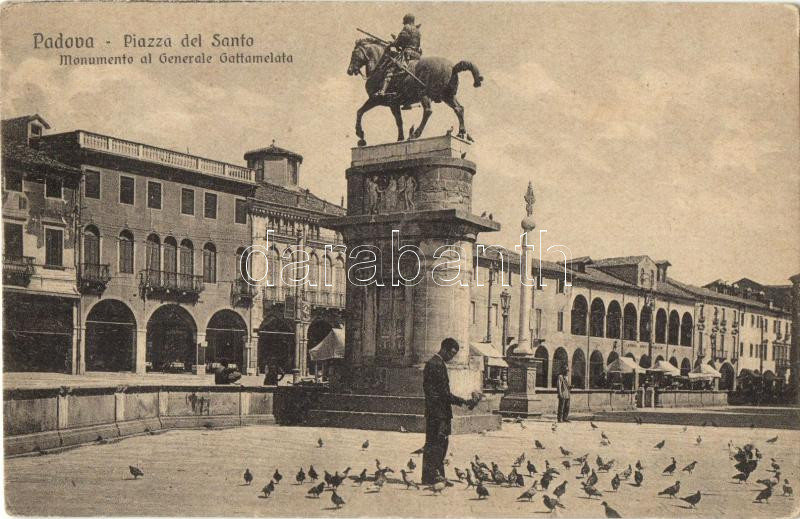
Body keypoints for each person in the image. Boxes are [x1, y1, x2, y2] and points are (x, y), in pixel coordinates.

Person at [422, 338, 478, 485]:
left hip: (434, 411)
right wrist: (464, 401)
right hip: (439, 413)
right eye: (451, 353)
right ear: (444, 349)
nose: (452, 357)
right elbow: (443, 394)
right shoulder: (437, 365)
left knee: (432, 444)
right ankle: (435, 476)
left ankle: (430, 476)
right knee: (438, 445)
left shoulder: (433, 363)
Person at [375, 13, 423, 100]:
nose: (404, 23)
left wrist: (392, 43)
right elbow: (409, 41)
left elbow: (400, 41)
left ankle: (382, 90)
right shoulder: (417, 30)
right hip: (417, 55)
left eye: (404, 21)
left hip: (408, 53)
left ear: (406, 20)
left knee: (391, 67)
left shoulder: (407, 27)